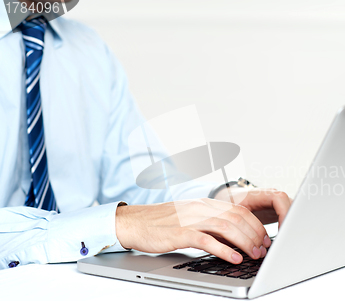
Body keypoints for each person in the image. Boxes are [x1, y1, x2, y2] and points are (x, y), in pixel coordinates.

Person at [0, 3, 292, 270]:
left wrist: (219, 200)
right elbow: (132, 221)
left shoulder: (87, 48)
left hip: (67, 287)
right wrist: (119, 224)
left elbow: (135, 182)